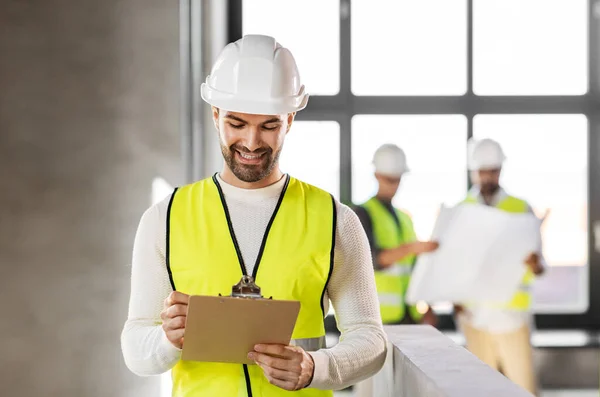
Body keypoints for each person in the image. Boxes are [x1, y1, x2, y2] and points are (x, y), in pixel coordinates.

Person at [121, 34, 386, 397]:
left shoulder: (335, 219)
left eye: (269, 126)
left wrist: (315, 368)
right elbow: (135, 349)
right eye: (237, 123)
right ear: (216, 115)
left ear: (290, 119)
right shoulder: (164, 218)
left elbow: (371, 339)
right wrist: (169, 339)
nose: (250, 142)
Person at [455, 137, 545, 395]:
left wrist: (535, 263)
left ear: (500, 171)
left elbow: (540, 266)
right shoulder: (462, 211)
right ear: (475, 172)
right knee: (481, 391)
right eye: (483, 172)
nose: (487, 178)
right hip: (474, 318)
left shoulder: (520, 208)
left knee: (523, 390)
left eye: (492, 171)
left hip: (512, 320)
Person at [353, 144, 439, 326]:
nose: (393, 185)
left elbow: (416, 268)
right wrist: (413, 248)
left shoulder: (404, 218)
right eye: (389, 179)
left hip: (409, 315)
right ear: (376, 175)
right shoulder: (362, 213)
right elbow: (373, 259)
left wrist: (428, 307)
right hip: (378, 319)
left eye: (397, 180)